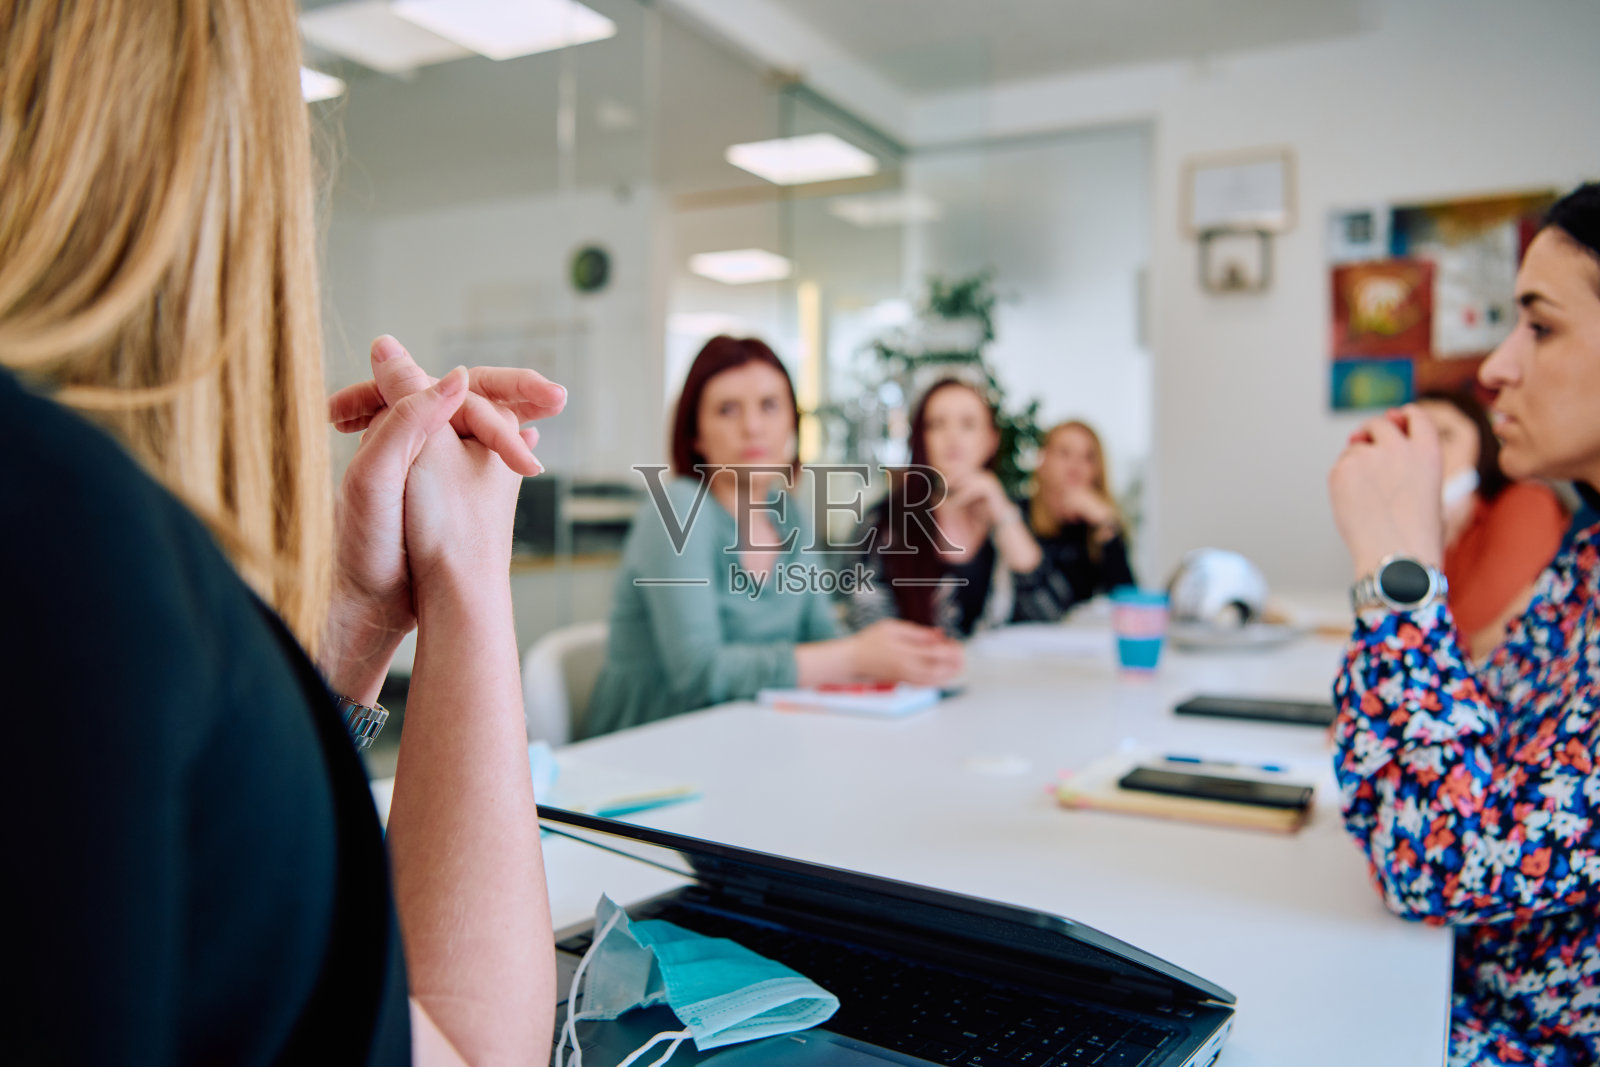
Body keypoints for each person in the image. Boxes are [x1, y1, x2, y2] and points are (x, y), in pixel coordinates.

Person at [0, 2, 564, 1062]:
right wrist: (467, 570)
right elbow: (471, 1049)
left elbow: (206, 840)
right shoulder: (67, 538)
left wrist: (347, 622)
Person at [1328, 183, 1600, 1067]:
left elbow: (1435, 863)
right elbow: (1391, 800)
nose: (1494, 368)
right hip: (1436, 984)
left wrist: (1397, 575)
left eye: (1543, 327)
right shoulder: (1589, 554)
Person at [584, 336, 963, 738]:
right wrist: (856, 656)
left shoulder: (789, 513)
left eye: (769, 406)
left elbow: (821, 636)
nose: (752, 426)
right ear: (696, 433)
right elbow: (699, 674)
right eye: (728, 410)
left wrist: (897, 655)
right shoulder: (677, 507)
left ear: (791, 424)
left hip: (749, 738)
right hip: (650, 747)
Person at [846, 377, 1048, 637]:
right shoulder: (883, 522)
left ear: (991, 440)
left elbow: (1046, 613)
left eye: (968, 424)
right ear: (920, 440)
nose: (953, 437)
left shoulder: (1012, 515)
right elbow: (864, 627)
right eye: (936, 425)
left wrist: (1001, 511)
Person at [1412, 389, 1569, 660]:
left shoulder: (1527, 503)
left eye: (1445, 436)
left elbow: (1459, 633)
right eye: (1412, 438)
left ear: (1482, 443)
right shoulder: (1426, 520)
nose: (1428, 451)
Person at [1015, 419, 1137, 621]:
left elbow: (1128, 604)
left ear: (1097, 469)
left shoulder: (1099, 528)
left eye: (1088, 457)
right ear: (1042, 461)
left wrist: (1106, 524)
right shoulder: (1016, 516)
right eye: (1064, 453)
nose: (1075, 466)